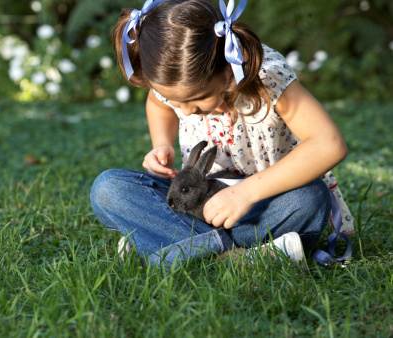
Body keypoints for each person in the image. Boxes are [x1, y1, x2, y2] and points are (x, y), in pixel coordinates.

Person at [90, 0, 354, 269]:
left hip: (262, 202)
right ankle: (241, 257)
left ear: (228, 71)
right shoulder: (177, 83)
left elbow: (329, 144)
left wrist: (246, 194)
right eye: (175, 101)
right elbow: (157, 102)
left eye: (198, 99)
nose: (186, 111)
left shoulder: (267, 79)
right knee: (108, 189)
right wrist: (162, 143)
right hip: (197, 202)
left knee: (310, 198)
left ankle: (168, 244)